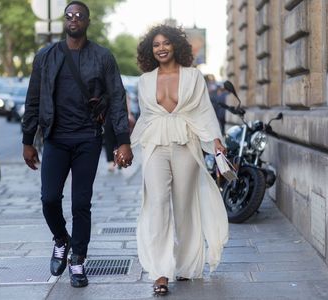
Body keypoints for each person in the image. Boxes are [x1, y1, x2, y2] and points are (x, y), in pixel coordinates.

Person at [22, 1, 133, 288]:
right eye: (69, 15)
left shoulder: (103, 57)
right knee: (49, 199)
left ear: (87, 21)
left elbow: (118, 98)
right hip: (55, 139)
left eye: (79, 15)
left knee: (81, 203)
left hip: (88, 139)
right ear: (64, 20)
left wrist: (123, 141)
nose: (74, 19)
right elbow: (33, 99)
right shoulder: (45, 56)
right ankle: (61, 239)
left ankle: (78, 261)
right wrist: (28, 140)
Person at [131, 25, 229, 296]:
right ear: (150, 51)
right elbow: (146, 117)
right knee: (157, 204)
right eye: (155, 45)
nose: (161, 48)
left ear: (175, 45)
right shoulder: (145, 80)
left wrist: (215, 141)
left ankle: (185, 265)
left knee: (185, 206)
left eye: (165, 43)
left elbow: (203, 112)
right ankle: (160, 272)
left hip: (186, 143)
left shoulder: (193, 77)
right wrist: (127, 144)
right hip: (155, 146)